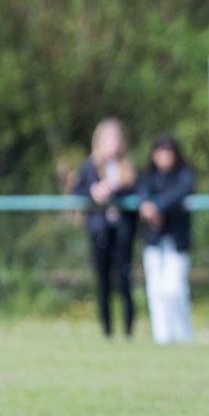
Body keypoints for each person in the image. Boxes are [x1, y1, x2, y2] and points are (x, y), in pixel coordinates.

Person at [72, 118, 138, 339]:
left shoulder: (128, 167)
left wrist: (116, 190)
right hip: (99, 230)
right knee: (103, 283)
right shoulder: (89, 167)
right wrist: (94, 192)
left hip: (123, 231)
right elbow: (76, 193)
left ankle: (128, 331)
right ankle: (107, 331)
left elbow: (139, 194)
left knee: (125, 280)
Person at [137, 134, 196, 345]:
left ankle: (182, 334)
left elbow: (181, 192)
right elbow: (142, 194)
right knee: (156, 290)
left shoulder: (184, 174)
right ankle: (162, 336)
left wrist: (158, 206)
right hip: (154, 240)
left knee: (174, 289)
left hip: (177, 241)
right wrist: (147, 205)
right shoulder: (148, 176)